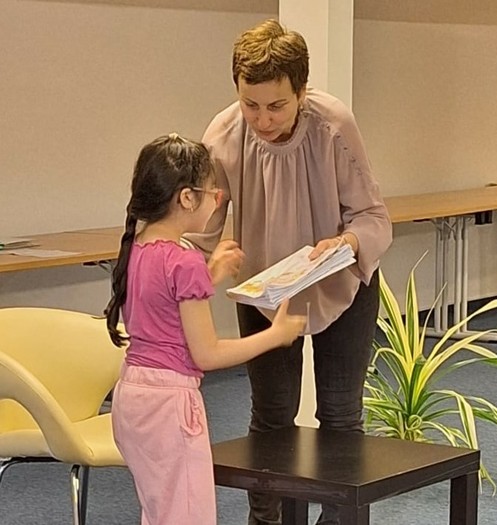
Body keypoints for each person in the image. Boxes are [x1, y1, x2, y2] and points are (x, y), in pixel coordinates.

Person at [189, 19, 393, 525]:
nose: (262, 119)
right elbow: (199, 231)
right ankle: (266, 521)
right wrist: (188, 270)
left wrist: (346, 243)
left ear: (301, 91)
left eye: (276, 105)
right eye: (250, 104)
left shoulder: (333, 125)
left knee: (341, 418)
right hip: (265, 293)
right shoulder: (223, 134)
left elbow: (373, 217)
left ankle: (338, 521)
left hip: (341, 284)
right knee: (272, 417)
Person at [104, 133, 307, 525]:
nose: (218, 198)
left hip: (132, 396)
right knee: (186, 515)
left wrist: (209, 275)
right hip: (170, 406)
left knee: (160, 511)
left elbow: (163, 304)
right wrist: (274, 336)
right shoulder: (184, 261)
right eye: (213, 191)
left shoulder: (138, 246)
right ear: (186, 198)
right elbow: (207, 354)